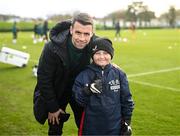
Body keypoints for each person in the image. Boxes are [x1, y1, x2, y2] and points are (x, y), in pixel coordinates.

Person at [33, 12, 96, 135]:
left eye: (86, 34)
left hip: (80, 91)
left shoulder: (95, 46)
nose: (82, 38)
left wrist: (112, 66)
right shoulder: (51, 47)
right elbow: (44, 79)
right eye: (78, 32)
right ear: (71, 29)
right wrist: (53, 107)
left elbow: (105, 56)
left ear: (92, 33)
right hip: (57, 92)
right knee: (55, 128)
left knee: (87, 127)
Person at [72, 37, 134, 135]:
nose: (101, 57)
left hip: (114, 126)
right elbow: (78, 100)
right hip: (91, 127)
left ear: (111, 55)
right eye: (97, 53)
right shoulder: (84, 75)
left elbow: (127, 99)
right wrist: (87, 90)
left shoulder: (119, 74)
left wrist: (127, 122)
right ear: (92, 56)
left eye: (105, 53)